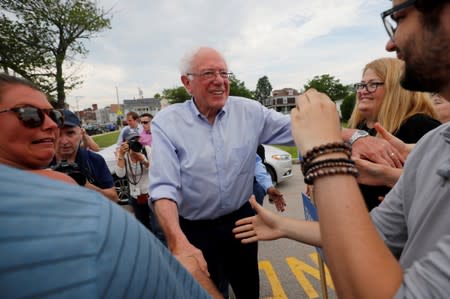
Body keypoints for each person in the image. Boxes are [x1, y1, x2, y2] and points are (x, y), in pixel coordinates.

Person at [234, 1, 450, 297]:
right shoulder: (435, 144)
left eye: (399, 17)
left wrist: (325, 153)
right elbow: (368, 235)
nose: (390, 42)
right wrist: (283, 225)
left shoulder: (424, 133)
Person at [0, 73, 222, 299]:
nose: (50, 126)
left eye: (53, 116)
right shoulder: (86, 209)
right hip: (137, 200)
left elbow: (151, 178)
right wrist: (122, 158)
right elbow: (122, 175)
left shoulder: (147, 146)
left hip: (150, 198)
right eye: (29, 115)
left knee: (159, 237)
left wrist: (138, 161)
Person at [349, 57, 441, 210]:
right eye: (362, 85)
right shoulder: (359, 128)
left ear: (396, 89)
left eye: (372, 84)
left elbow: (439, 185)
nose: (362, 91)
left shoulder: (419, 125)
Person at [51, 110, 119, 202]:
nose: (64, 141)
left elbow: (114, 198)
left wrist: (85, 185)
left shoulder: (94, 160)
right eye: (58, 134)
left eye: (70, 133)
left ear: (81, 133)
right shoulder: (40, 162)